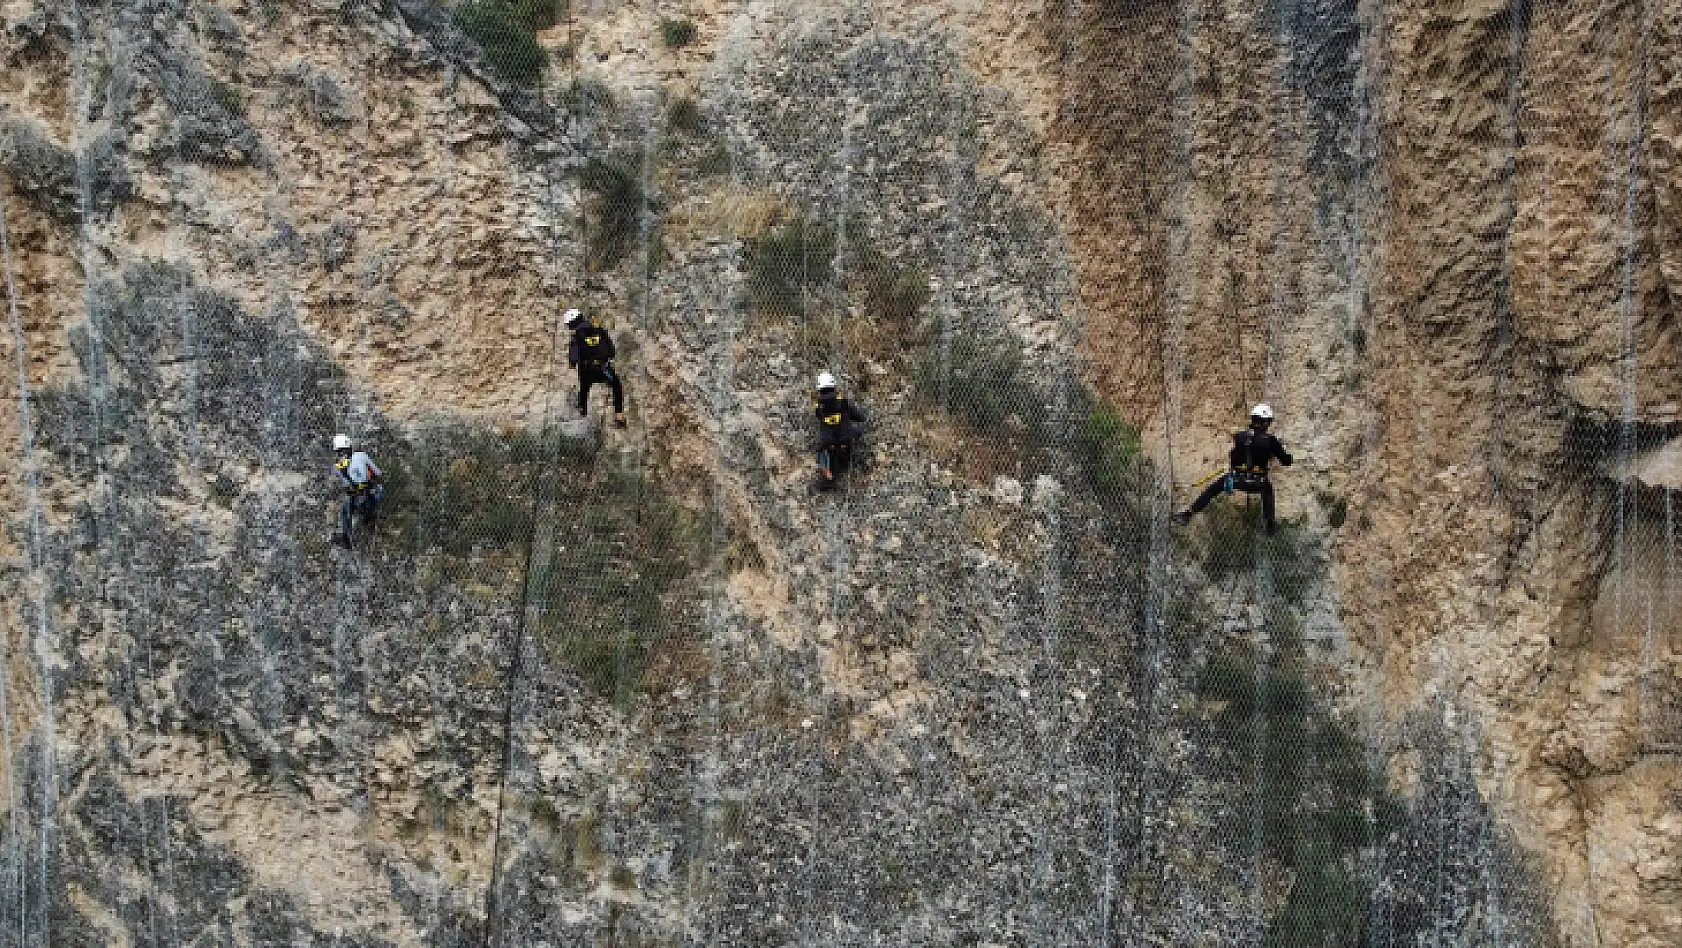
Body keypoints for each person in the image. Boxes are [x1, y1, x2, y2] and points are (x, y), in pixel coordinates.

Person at [1173, 403, 1293, 533]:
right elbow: (1286, 462)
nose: (1269, 425)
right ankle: (1270, 526)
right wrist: (1286, 456)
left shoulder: (1239, 436)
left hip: (1237, 480)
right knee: (1268, 491)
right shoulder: (1271, 440)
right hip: (1258, 483)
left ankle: (1187, 515)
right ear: (1265, 423)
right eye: (1268, 422)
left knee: (1211, 491)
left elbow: (1234, 457)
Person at [566, 308, 627, 429]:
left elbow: (573, 356)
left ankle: (582, 412)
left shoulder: (576, 335)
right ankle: (619, 417)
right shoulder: (599, 329)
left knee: (584, 389)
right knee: (616, 386)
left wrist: (572, 364)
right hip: (603, 369)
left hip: (586, 370)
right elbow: (611, 351)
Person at [813, 371, 866, 488]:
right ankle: (850, 458)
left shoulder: (818, 407)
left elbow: (819, 418)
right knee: (858, 431)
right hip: (846, 439)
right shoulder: (843, 402)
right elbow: (860, 417)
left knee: (820, 449)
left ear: (819, 388)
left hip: (829, 443)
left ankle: (826, 472)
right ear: (833, 386)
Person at [331, 433, 384, 550]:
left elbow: (371, 476)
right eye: (340, 453)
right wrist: (344, 472)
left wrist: (356, 484)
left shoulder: (358, 457)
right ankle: (347, 537)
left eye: (342, 452)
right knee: (346, 507)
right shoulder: (341, 466)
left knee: (351, 504)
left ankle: (367, 517)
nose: (341, 455)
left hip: (371, 494)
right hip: (364, 495)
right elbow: (348, 484)